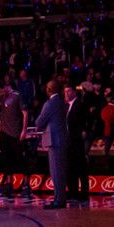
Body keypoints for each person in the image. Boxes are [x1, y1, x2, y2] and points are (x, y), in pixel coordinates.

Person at [35, 80, 71, 209]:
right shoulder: (61, 102)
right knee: (59, 170)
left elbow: (39, 122)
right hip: (61, 139)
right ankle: (59, 198)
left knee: (56, 171)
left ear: (48, 89)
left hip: (55, 140)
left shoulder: (50, 103)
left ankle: (59, 200)